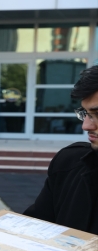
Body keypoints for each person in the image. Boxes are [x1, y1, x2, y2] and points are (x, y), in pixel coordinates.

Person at [24, 65, 98, 232]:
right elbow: (32, 233)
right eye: (85, 113)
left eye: (97, 113)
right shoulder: (69, 163)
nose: (85, 125)